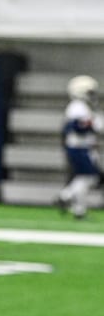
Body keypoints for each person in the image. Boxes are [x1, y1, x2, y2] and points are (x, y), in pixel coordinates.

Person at [57, 74, 102, 219]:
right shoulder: (77, 107)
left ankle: (78, 209)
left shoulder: (82, 108)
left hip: (82, 147)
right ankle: (66, 196)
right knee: (88, 177)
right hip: (79, 147)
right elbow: (78, 127)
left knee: (85, 178)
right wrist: (93, 124)